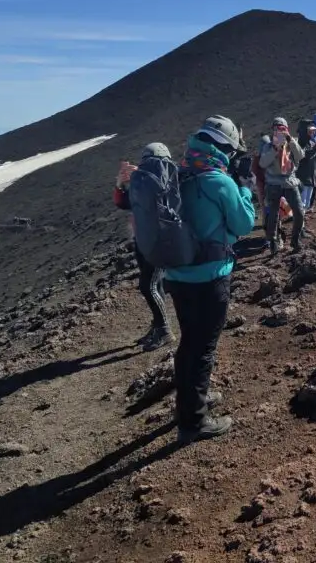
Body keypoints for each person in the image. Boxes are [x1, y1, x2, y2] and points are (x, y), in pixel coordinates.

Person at [164, 115, 255, 444]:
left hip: (176, 276)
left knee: (189, 343)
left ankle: (189, 403)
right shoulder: (219, 180)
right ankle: (194, 422)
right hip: (209, 278)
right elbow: (243, 225)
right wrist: (244, 187)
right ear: (225, 148)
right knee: (202, 349)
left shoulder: (179, 170)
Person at [113, 143, 176, 351]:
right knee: (152, 285)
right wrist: (121, 184)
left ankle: (165, 330)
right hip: (144, 239)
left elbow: (162, 196)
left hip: (159, 242)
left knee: (148, 285)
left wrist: (142, 175)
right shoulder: (143, 182)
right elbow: (124, 203)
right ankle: (158, 326)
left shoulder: (168, 180)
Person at [259, 116, 305, 254]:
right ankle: (273, 242)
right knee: (272, 215)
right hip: (273, 183)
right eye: (276, 128)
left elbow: (300, 156)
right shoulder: (268, 146)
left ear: (287, 129)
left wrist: (290, 140)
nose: (278, 131)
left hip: (290, 181)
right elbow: (263, 163)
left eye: (281, 128)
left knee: (299, 212)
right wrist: (274, 148)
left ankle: (295, 240)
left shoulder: (292, 143)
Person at [297, 123, 316, 211]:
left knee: (306, 203)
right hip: (303, 177)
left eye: (313, 132)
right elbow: (305, 155)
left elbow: (312, 155)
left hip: (310, 175)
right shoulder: (299, 143)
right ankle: (299, 222)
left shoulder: (311, 142)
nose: (313, 134)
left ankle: (301, 219)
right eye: (310, 132)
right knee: (301, 203)